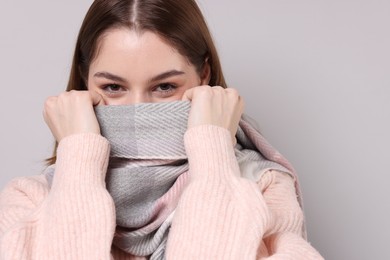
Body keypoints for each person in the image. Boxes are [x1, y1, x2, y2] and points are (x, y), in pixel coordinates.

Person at [0, 0, 323, 259]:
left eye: (165, 86)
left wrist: (212, 154)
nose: (139, 108)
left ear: (203, 77)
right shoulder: (30, 200)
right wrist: (79, 159)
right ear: (85, 85)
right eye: (113, 87)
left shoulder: (264, 189)